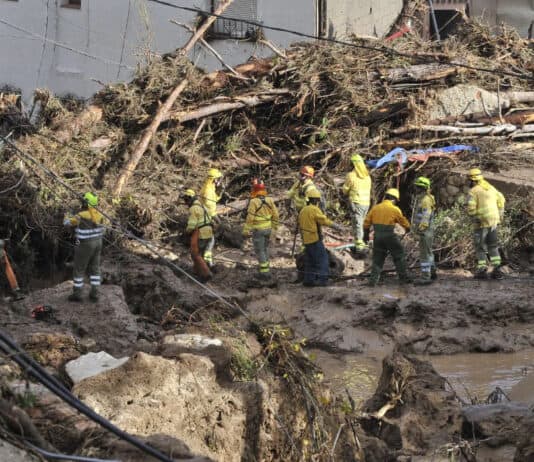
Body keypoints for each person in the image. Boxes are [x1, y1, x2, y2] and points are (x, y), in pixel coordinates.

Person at [364, 188, 411, 286]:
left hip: (377, 237)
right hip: (389, 236)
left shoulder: (376, 208)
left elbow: (366, 223)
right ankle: (403, 278)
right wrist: (408, 228)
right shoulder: (394, 209)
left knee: (377, 258)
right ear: (394, 199)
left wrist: (366, 235)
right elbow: (403, 222)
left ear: (386, 197)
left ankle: (373, 281)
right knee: (399, 255)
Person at [64, 192, 104, 302]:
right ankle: (95, 293)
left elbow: (67, 223)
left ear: (86, 203)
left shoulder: (81, 216)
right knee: (95, 268)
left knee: (79, 269)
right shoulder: (100, 214)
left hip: (84, 245)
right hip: (98, 244)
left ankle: (77, 294)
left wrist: (66, 217)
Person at [298, 189, 342, 287]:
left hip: (306, 240)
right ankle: (322, 281)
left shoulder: (303, 210)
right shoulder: (314, 209)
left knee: (310, 261)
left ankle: (308, 281)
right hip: (314, 239)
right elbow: (323, 220)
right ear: (315, 200)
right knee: (323, 259)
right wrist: (336, 226)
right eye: (317, 200)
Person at [466, 168, 505, 279]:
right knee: (493, 246)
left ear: (472, 180)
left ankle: (482, 270)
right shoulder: (491, 188)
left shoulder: (473, 191)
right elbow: (501, 199)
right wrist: (500, 215)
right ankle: (497, 271)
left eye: (469, 180)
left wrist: (474, 217)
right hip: (493, 222)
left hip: (481, 223)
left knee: (480, 247)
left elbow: (470, 208)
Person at [242, 179, 279, 280]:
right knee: (265, 249)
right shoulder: (270, 200)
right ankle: (266, 268)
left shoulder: (254, 202)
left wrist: (246, 230)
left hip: (258, 231)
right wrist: (275, 227)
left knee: (260, 250)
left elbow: (250, 218)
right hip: (268, 229)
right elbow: (276, 215)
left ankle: (264, 273)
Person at [342, 153, 372, 253]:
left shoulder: (351, 175)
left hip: (356, 202)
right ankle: (360, 242)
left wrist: (345, 190)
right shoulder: (367, 176)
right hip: (366, 204)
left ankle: (359, 244)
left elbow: (345, 190)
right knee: (361, 223)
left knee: (357, 223)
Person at [183, 189, 214, 280]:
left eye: (186, 200)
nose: (186, 203)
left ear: (189, 199)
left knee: (195, 254)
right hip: (209, 232)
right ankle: (197, 271)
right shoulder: (203, 206)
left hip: (202, 233)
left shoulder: (193, 208)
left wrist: (186, 232)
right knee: (202, 253)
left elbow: (192, 224)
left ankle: (206, 274)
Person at [412, 176, 437, 285]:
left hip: (425, 231)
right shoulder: (423, 198)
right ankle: (432, 272)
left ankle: (425, 277)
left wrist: (420, 230)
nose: (416, 189)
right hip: (427, 230)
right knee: (428, 252)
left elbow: (425, 217)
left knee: (424, 255)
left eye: (418, 187)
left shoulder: (426, 200)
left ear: (422, 188)